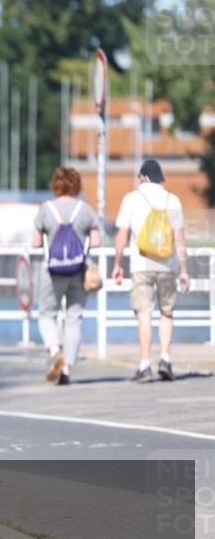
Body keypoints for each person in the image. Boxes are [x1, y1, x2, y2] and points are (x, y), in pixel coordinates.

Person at [112, 159, 189, 382]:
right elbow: (180, 239)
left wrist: (117, 264)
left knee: (144, 313)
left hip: (141, 264)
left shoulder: (131, 198)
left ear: (143, 177)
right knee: (167, 312)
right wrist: (184, 270)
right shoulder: (173, 199)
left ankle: (145, 364)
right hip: (168, 264)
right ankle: (165, 359)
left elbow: (121, 236)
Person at [32, 167, 100, 385]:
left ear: (56, 185)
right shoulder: (85, 209)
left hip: (52, 271)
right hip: (79, 270)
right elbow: (96, 242)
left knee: (46, 314)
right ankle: (68, 369)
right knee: (74, 318)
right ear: (77, 185)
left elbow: (35, 242)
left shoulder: (46, 208)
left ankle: (54, 352)